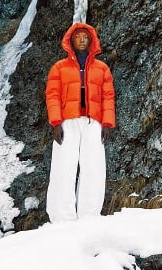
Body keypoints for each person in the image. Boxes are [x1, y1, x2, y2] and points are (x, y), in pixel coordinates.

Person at [44, 22, 115, 222]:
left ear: (91, 41)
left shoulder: (102, 69)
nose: (82, 40)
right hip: (68, 122)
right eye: (78, 37)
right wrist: (56, 122)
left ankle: (89, 215)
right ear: (71, 41)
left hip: (94, 123)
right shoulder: (59, 68)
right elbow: (52, 95)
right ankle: (62, 216)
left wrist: (107, 123)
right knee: (63, 166)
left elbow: (108, 96)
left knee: (94, 167)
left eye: (85, 37)